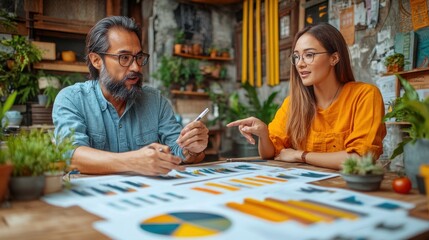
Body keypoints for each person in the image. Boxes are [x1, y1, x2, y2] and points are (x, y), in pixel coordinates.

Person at [53, 16, 209, 176]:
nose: (136, 67)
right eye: (124, 58)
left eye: (139, 57)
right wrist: (133, 161)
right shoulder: (72, 99)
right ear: (97, 60)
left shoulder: (155, 101)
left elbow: (179, 152)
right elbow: (71, 156)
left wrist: (193, 149)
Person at [227, 23, 386, 170]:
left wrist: (300, 155)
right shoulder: (293, 103)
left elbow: (360, 159)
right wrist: (263, 133)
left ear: (334, 58)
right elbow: (270, 153)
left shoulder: (365, 95)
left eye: (309, 55)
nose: (300, 64)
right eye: (296, 57)